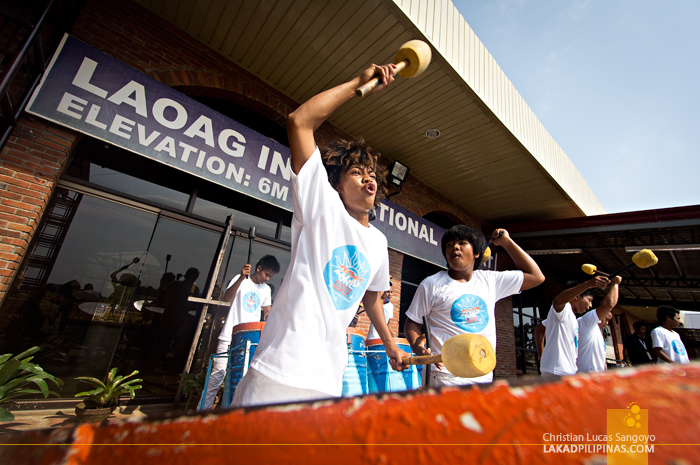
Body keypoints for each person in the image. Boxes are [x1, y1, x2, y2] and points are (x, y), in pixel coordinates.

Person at [231, 63, 408, 408]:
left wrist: (389, 343)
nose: (368, 180)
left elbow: (372, 297)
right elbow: (299, 121)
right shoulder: (320, 206)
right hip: (278, 371)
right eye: (357, 173)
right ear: (337, 185)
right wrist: (358, 83)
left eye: (371, 174)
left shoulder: (378, 242)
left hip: (327, 379)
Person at [404, 225, 545, 387]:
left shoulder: (490, 281)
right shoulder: (431, 284)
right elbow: (412, 323)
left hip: (483, 375)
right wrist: (419, 349)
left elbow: (536, 276)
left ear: (477, 253)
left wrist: (507, 243)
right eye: (449, 245)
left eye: (462, 243)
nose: (454, 247)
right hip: (444, 376)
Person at [199, 255, 279, 410]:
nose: (268, 279)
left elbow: (267, 311)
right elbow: (227, 297)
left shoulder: (266, 290)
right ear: (259, 268)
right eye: (267, 274)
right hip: (229, 335)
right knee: (218, 375)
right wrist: (242, 277)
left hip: (248, 339)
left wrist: (270, 317)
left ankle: (231, 413)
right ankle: (202, 412)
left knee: (240, 378)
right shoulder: (241, 280)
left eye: (271, 276)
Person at [535, 276, 609, 378]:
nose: (591, 305)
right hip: (556, 371)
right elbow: (557, 301)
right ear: (577, 296)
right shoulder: (565, 310)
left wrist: (541, 354)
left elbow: (539, 328)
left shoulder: (572, 319)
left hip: (567, 372)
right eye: (589, 300)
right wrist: (587, 284)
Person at [576, 276, 621, 373]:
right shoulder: (586, 321)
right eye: (606, 318)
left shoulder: (596, 331)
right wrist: (615, 283)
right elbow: (608, 304)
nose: (607, 323)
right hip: (585, 376)